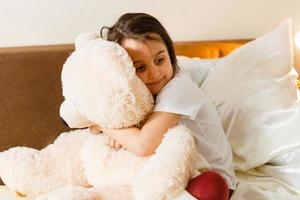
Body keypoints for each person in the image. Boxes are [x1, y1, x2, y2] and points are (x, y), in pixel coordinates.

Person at [89, 13, 235, 199]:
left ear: (170, 53)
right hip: (172, 171)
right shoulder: (137, 95)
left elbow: (143, 145)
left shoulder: (179, 89)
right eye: (140, 68)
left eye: (160, 60)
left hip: (208, 179)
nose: (155, 73)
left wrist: (104, 125)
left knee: (209, 187)